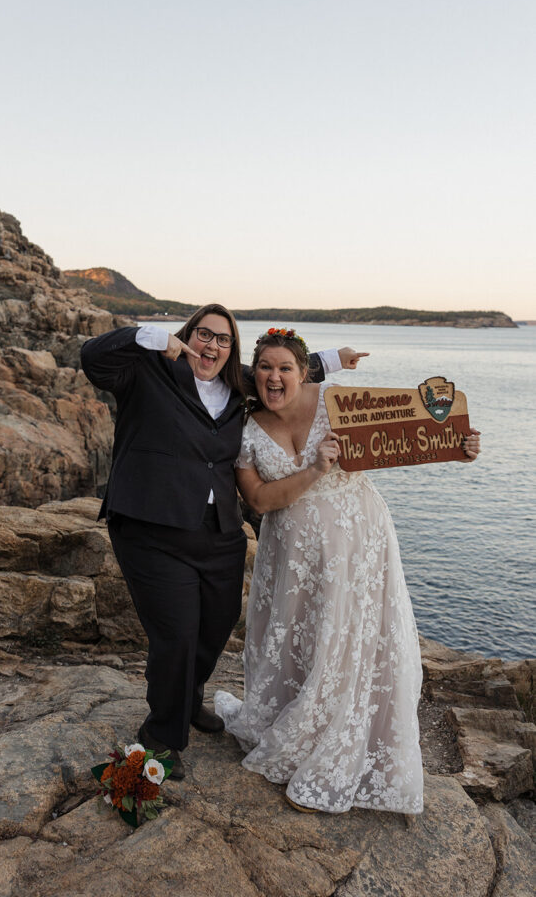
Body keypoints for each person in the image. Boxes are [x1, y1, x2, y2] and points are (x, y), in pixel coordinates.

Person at [81, 307, 364, 779]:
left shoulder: (239, 383)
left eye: (223, 340)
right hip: (151, 527)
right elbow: (92, 358)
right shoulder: (146, 369)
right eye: (203, 335)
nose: (211, 346)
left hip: (218, 529)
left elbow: (283, 369)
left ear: (232, 350)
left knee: (216, 625)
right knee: (175, 635)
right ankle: (161, 738)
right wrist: (147, 336)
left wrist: (335, 358)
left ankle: (188, 701)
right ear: (187, 334)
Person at [215, 328, 481, 813]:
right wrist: (314, 468)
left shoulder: (339, 403)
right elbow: (257, 499)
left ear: (303, 371)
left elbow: (403, 434)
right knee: (299, 634)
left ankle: (339, 745)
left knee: (349, 637)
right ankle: (291, 723)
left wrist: (456, 445)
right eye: (266, 369)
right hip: (290, 553)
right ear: (255, 374)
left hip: (357, 540)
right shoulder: (247, 427)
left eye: (285, 368)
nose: (275, 377)